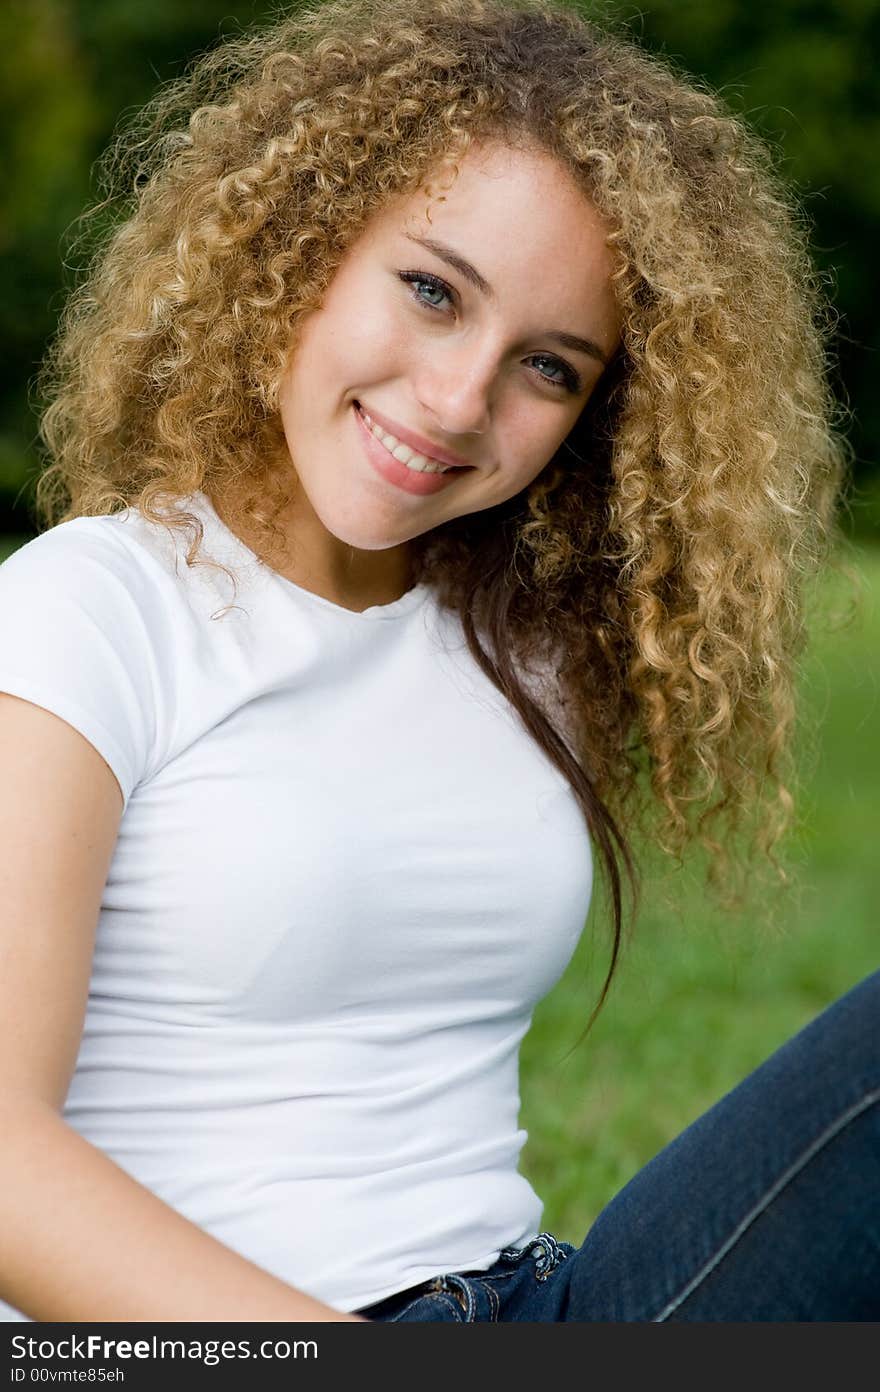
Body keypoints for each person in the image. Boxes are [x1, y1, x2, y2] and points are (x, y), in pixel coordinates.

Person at [0, 0, 875, 1324]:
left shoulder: (526, 643)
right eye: (430, 291)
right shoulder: (89, 611)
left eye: (548, 366)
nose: (462, 401)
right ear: (299, 249)